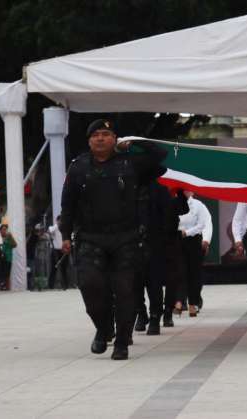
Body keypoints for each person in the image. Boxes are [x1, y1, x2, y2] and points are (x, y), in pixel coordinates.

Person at [60, 119, 167, 360]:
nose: (100, 138)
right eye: (95, 134)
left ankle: (121, 342)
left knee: (125, 291)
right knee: (90, 286)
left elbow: (161, 156)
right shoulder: (78, 167)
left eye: (106, 134)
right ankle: (104, 328)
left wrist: (135, 144)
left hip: (125, 238)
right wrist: (65, 235)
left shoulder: (130, 163)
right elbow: (67, 204)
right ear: (89, 141)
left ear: (114, 139)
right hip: (90, 238)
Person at [136, 182, 189, 334]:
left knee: (169, 280)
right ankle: (142, 313)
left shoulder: (168, 190)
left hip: (169, 242)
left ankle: (165, 313)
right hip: (144, 242)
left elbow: (183, 209)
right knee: (139, 280)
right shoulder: (139, 188)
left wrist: (178, 191)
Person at [176, 190, 212, 317]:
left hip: (194, 241)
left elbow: (204, 224)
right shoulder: (174, 204)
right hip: (178, 241)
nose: (186, 192)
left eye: (188, 190)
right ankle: (179, 301)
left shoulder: (198, 205)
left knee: (194, 273)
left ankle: (193, 303)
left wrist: (205, 239)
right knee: (180, 271)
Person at [48, 216, 69, 290]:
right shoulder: (54, 227)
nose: (61, 222)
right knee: (53, 268)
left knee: (64, 268)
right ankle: (50, 286)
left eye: (62, 221)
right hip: (55, 250)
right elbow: (50, 230)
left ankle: (65, 285)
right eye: (59, 221)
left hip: (63, 251)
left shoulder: (65, 229)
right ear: (57, 221)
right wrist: (57, 224)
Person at [0, 224, 16, 290]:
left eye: (5, 229)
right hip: (0, 258)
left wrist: (10, 237)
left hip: (8, 257)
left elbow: (15, 245)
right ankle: (0, 287)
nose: (4, 231)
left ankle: (8, 288)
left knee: (7, 274)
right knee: (0, 273)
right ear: (0, 230)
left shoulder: (9, 237)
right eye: (3, 229)